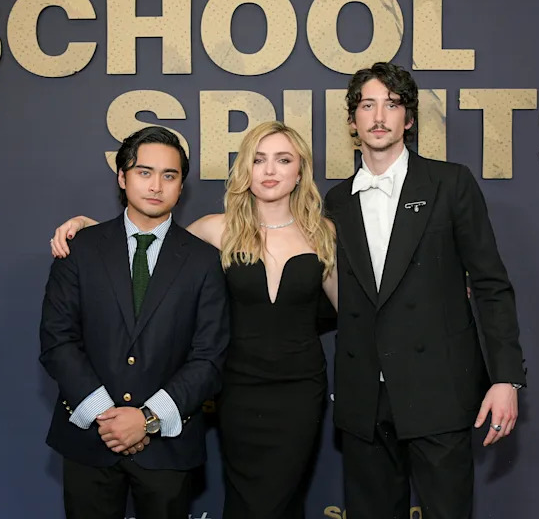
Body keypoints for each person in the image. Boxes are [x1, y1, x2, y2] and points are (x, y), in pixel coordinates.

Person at [49, 121, 338, 519]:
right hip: (239, 390)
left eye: (283, 160)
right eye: (258, 160)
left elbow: (352, 311)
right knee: (246, 500)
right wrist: (88, 228)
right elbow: (149, 250)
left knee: (284, 500)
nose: (270, 170)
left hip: (299, 391)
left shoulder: (325, 234)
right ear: (244, 170)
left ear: (300, 169)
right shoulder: (216, 231)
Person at [324, 62, 526, 519]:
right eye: (367, 105)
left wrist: (505, 378)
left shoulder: (450, 184)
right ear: (353, 120)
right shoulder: (335, 202)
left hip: (440, 394)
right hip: (364, 403)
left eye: (391, 105)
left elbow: (491, 286)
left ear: (408, 119)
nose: (379, 116)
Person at [39, 126, 230, 519]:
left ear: (181, 187)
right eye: (144, 172)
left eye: (169, 175)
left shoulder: (204, 260)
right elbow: (58, 341)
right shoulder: (80, 249)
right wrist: (107, 416)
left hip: (167, 447)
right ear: (122, 178)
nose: (156, 185)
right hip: (90, 438)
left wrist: (145, 420)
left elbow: (209, 357)